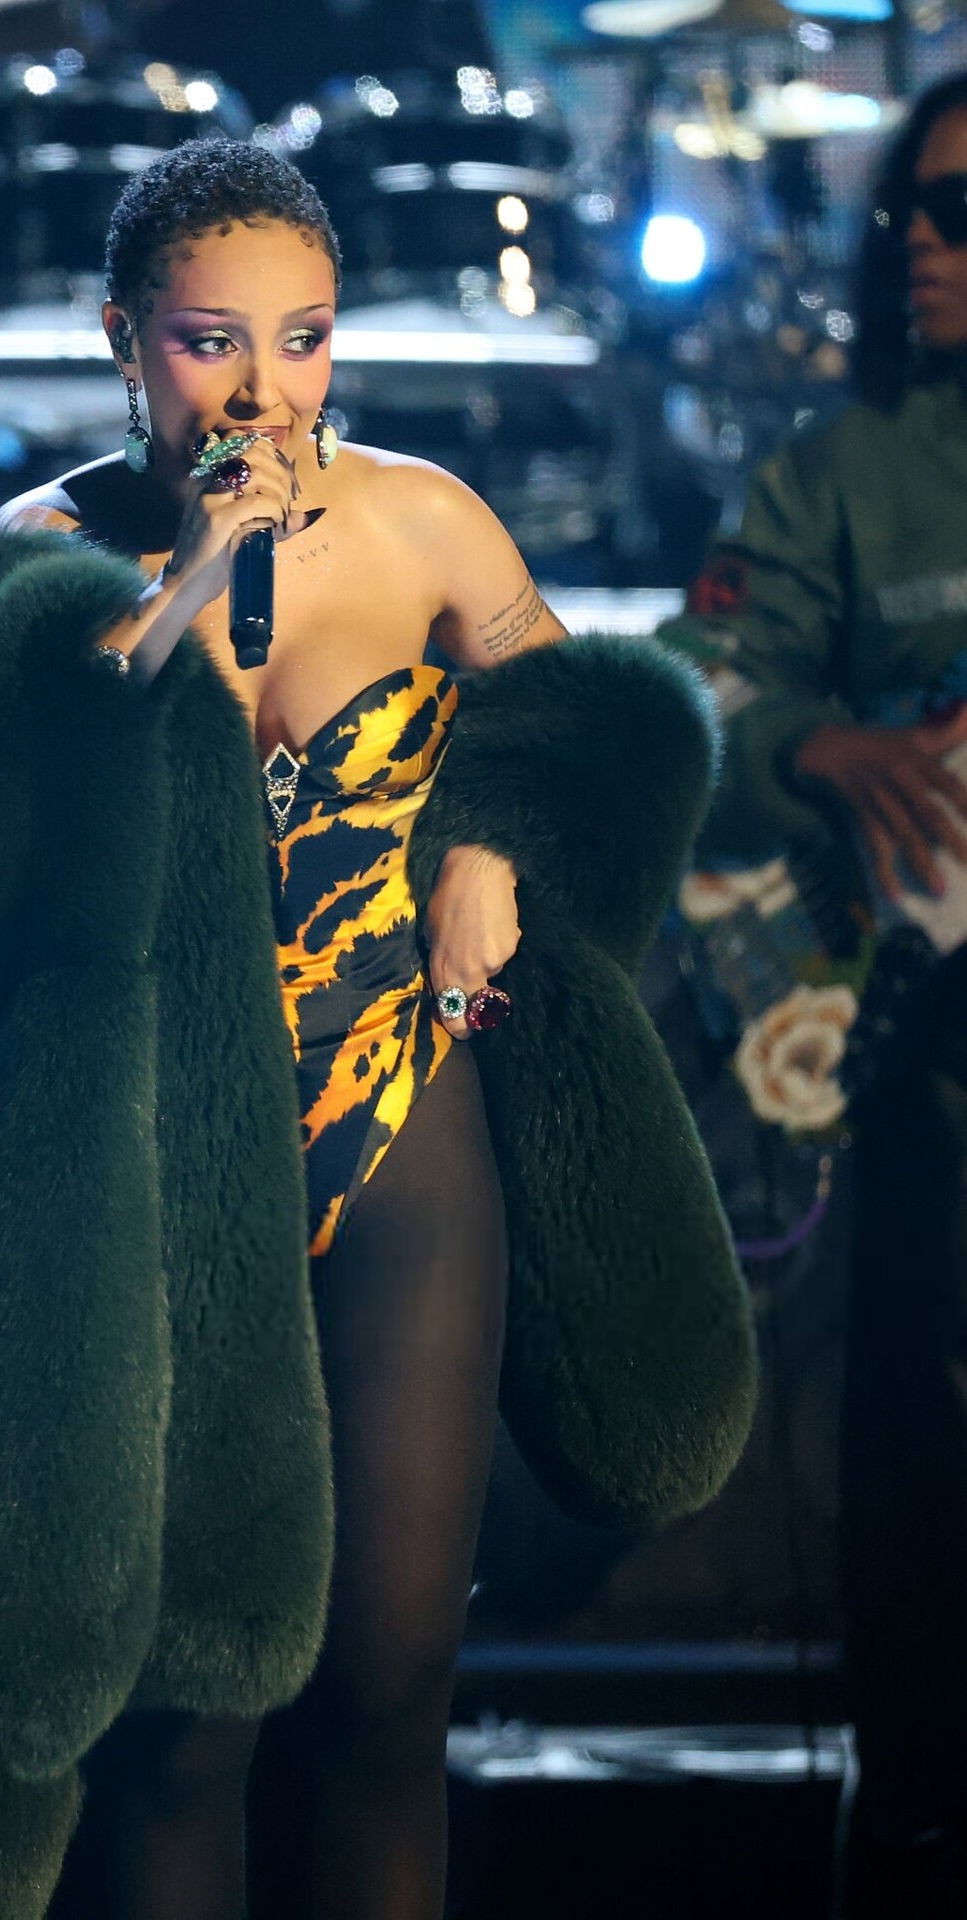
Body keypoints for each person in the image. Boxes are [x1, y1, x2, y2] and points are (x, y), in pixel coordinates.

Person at [0, 139, 756, 1920]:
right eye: (208, 340)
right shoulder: (41, 558)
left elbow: (594, 738)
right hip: (163, 1166)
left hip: (403, 1135)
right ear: (121, 340)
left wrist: (490, 847)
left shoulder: (428, 521)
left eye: (300, 339)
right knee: (181, 1735)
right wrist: (187, 583)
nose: (261, 392)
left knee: (387, 1704)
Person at [688, 72, 967, 1920]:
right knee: (926, 1456)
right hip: (934, 1073)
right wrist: (824, 744)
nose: (921, 246)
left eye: (964, 216)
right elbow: (696, 685)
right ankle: (918, 1817)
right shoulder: (840, 472)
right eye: (906, 215)